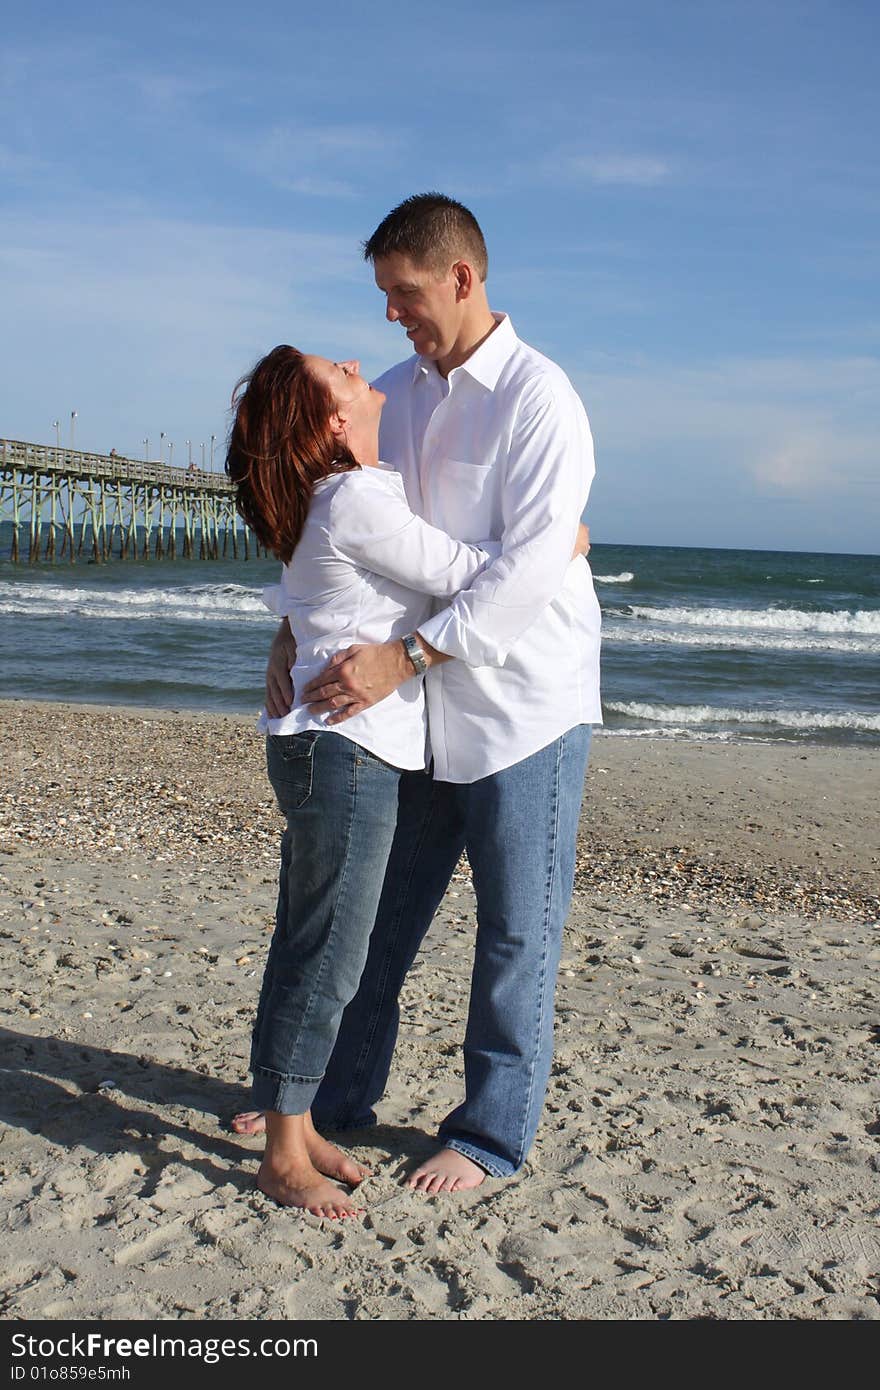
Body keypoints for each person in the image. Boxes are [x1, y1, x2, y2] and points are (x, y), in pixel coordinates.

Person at [252, 194, 602, 1193]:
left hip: (522, 701)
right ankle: (330, 1099)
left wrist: (403, 659)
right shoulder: (395, 393)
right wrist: (292, 627)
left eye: (403, 293)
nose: (390, 316)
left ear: (462, 277)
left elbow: (526, 574)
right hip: (407, 715)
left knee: (514, 927)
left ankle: (489, 1134)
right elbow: (344, 531)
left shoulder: (541, 397)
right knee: (379, 918)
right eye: (382, 296)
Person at [225, 343, 507, 1217]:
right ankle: (283, 1153)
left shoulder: (340, 496)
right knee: (330, 951)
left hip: (326, 746)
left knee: (311, 936)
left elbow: (310, 599)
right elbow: (469, 578)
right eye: (340, 373)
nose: (357, 362)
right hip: (342, 751)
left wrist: (287, 640)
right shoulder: (352, 497)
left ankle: (297, 1121)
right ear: (336, 425)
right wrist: (557, 543)